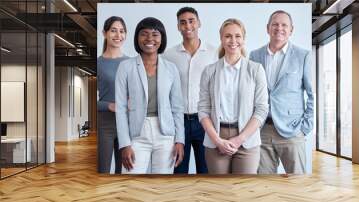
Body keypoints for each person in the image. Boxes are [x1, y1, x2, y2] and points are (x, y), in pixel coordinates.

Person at [197, 18, 268, 174]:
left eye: (238, 36)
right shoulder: (209, 71)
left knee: (243, 191)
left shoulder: (256, 69)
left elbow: (261, 109)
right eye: (228, 36)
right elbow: (203, 110)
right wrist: (217, 141)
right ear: (221, 39)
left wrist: (239, 139)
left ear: (243, 39)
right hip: (216, 138)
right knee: (219, 192)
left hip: (247, 139)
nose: (233, 40)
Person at [115, 17, 185, 174]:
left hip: (166, 134)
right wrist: (125, 144)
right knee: (131, 184)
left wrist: (180, 140)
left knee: (162, 187)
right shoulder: (125, 67)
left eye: (155, 34)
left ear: (162, 38)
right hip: (137, 134)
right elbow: (120, 108)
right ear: (137, 38)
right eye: (144, 34)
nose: (149, 39)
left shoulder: (171, 68)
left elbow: (177, 108)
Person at [249, 10, 314, 174]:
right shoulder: (254, 55)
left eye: (284, 25)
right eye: (275, 24)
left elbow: (312, 94)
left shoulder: (303, 56)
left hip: (292, 130)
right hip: (262, 130)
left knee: (297, 183)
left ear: (291, 29)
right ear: (267, 28)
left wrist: (305, 127)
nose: (279, 28)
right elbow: (250, 93)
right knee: (263, 185)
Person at [164, 7, 217, 174]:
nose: (187, 25)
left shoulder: (214, 53)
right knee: (179, 171)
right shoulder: (168, 55)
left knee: (206, 170)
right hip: (178, 122)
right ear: (178, 26)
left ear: (199, 23)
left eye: (191, 20)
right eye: (183, 22)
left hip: (205, 121)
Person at [97, 16, 129, 174]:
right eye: (113, 31)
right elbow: (91, 102)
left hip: (127, 123)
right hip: (105, 124)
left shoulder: (132, 63)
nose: (118, 35)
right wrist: (109, 105)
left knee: (123, 171)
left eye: (122, 31)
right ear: (104, 33)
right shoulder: (98, 63)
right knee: (102, 170)